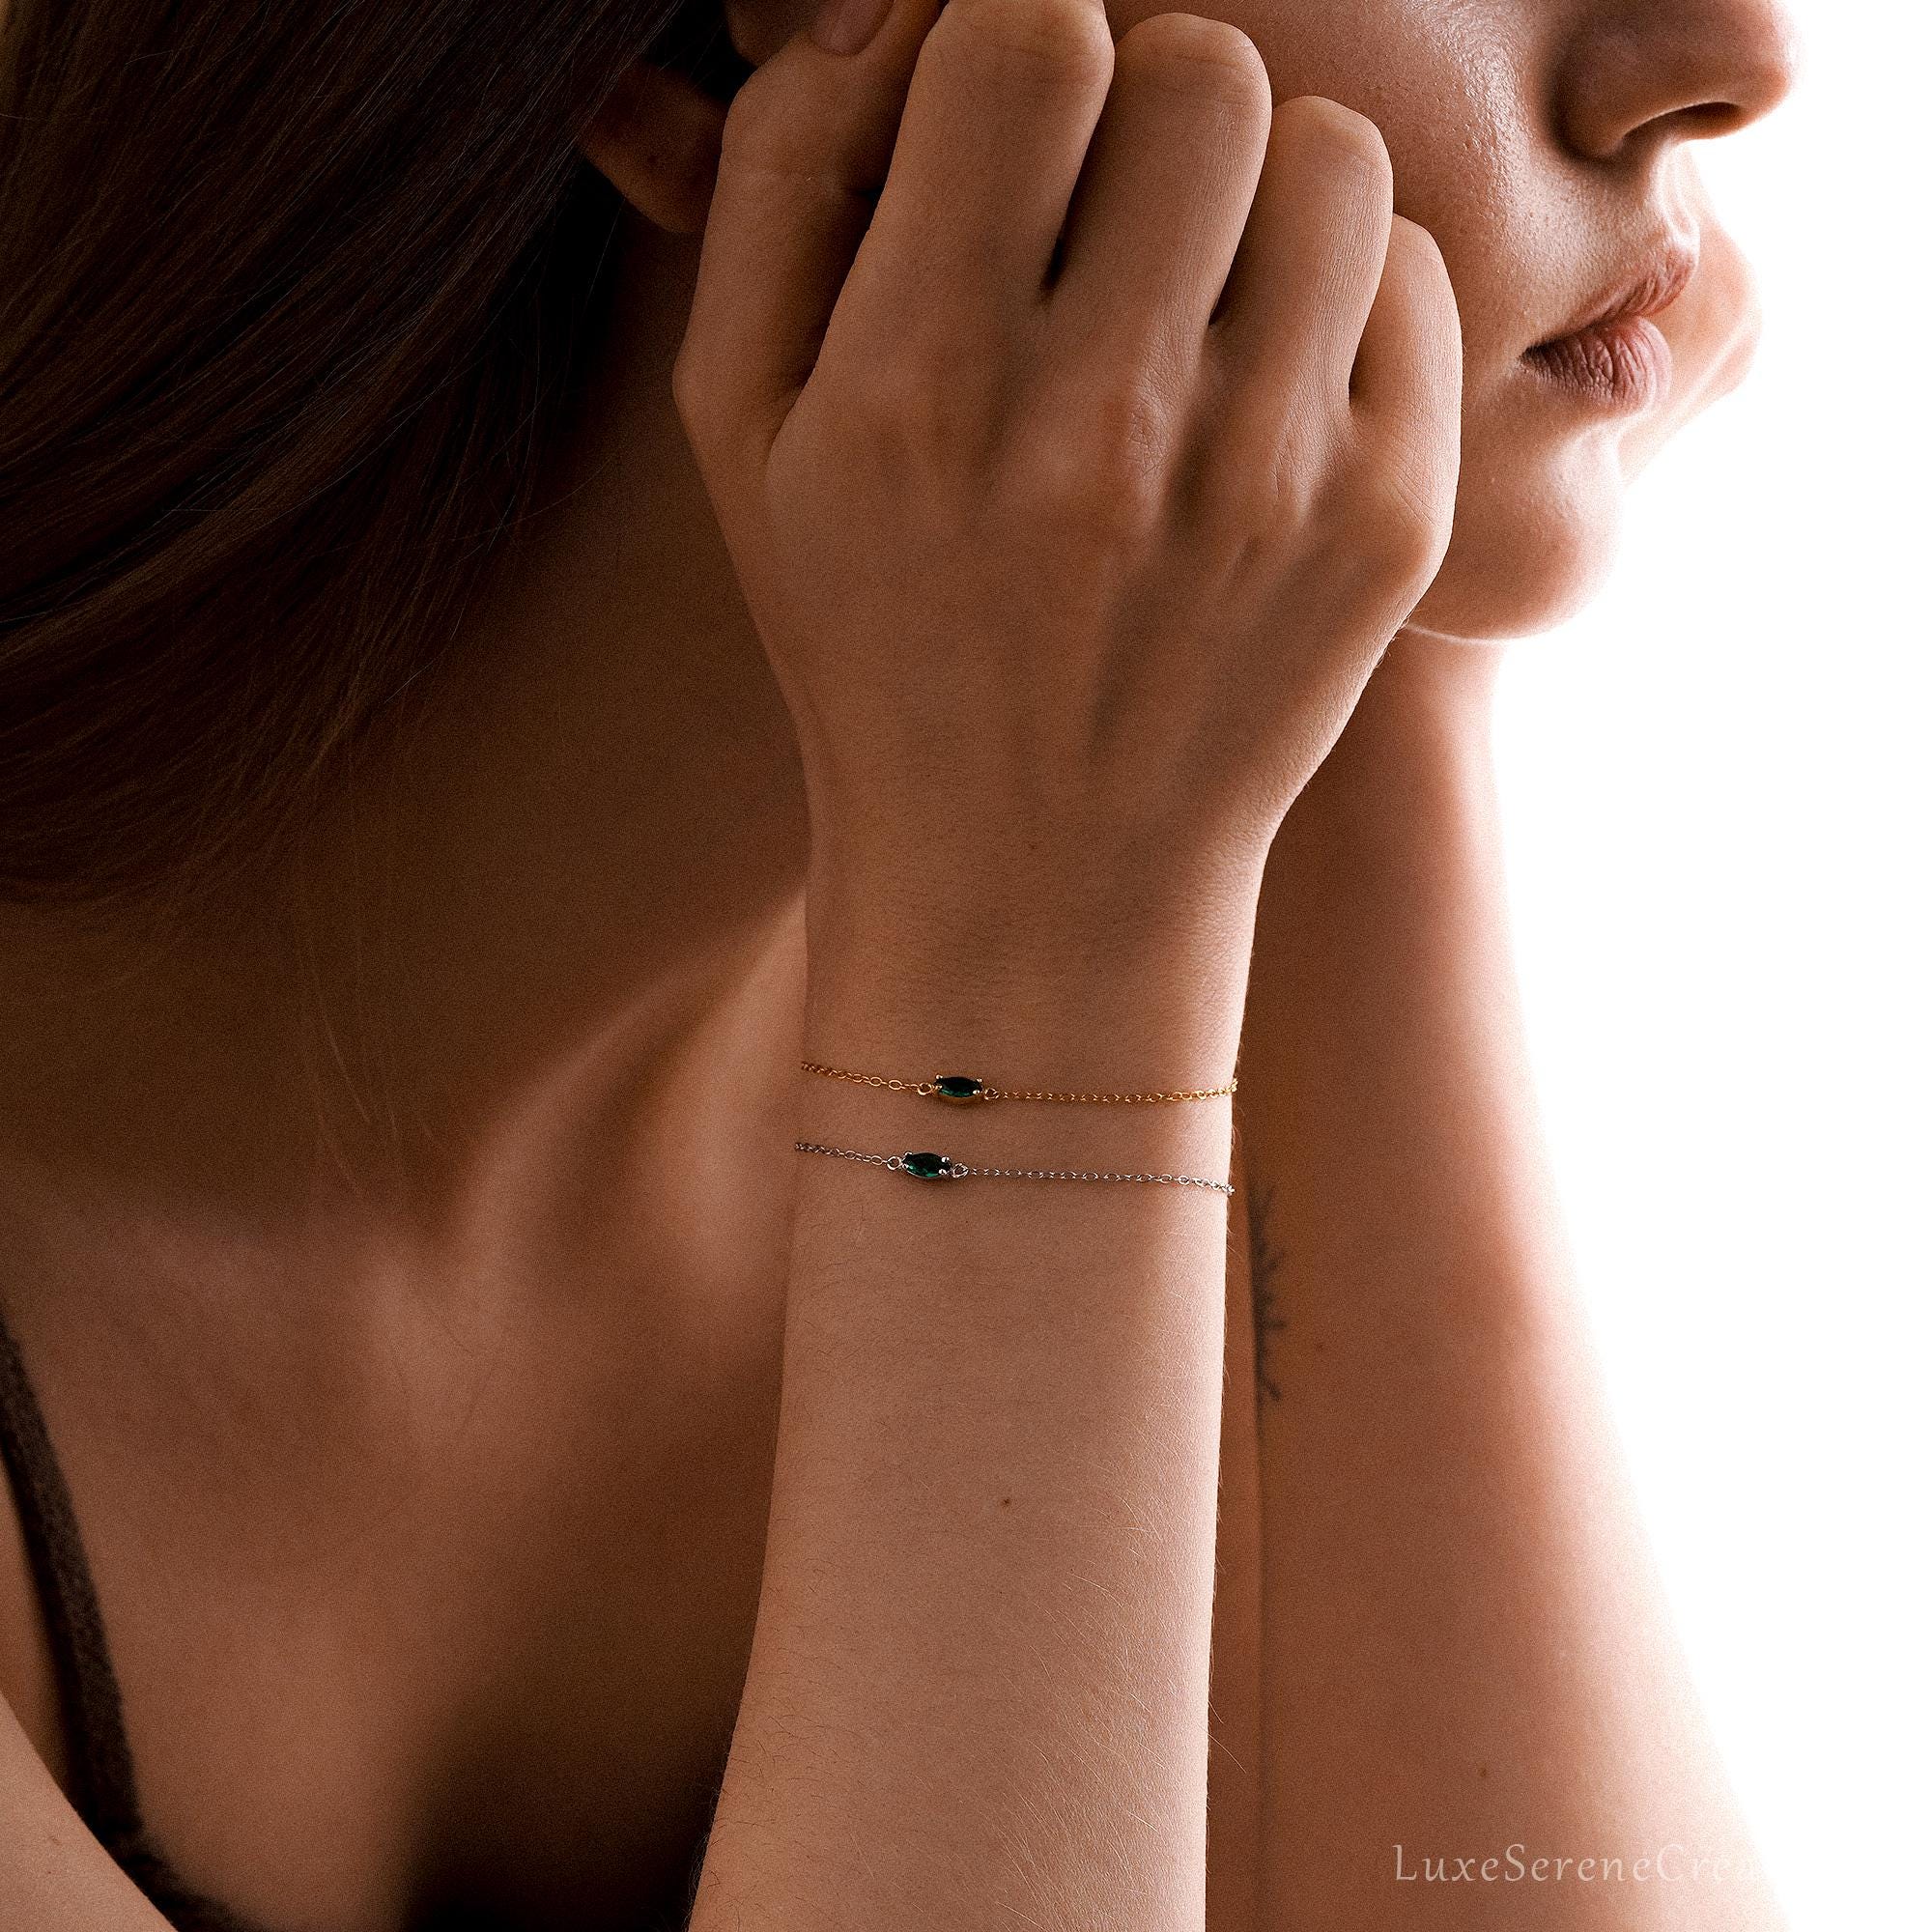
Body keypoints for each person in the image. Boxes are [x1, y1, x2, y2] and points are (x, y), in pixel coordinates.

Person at [0, 0, 1799, 1924]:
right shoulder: (1087, 947)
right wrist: (1040, 1009)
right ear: (671, 66)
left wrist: (1384, 690)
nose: (1736, 50)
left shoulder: (1153, 875)